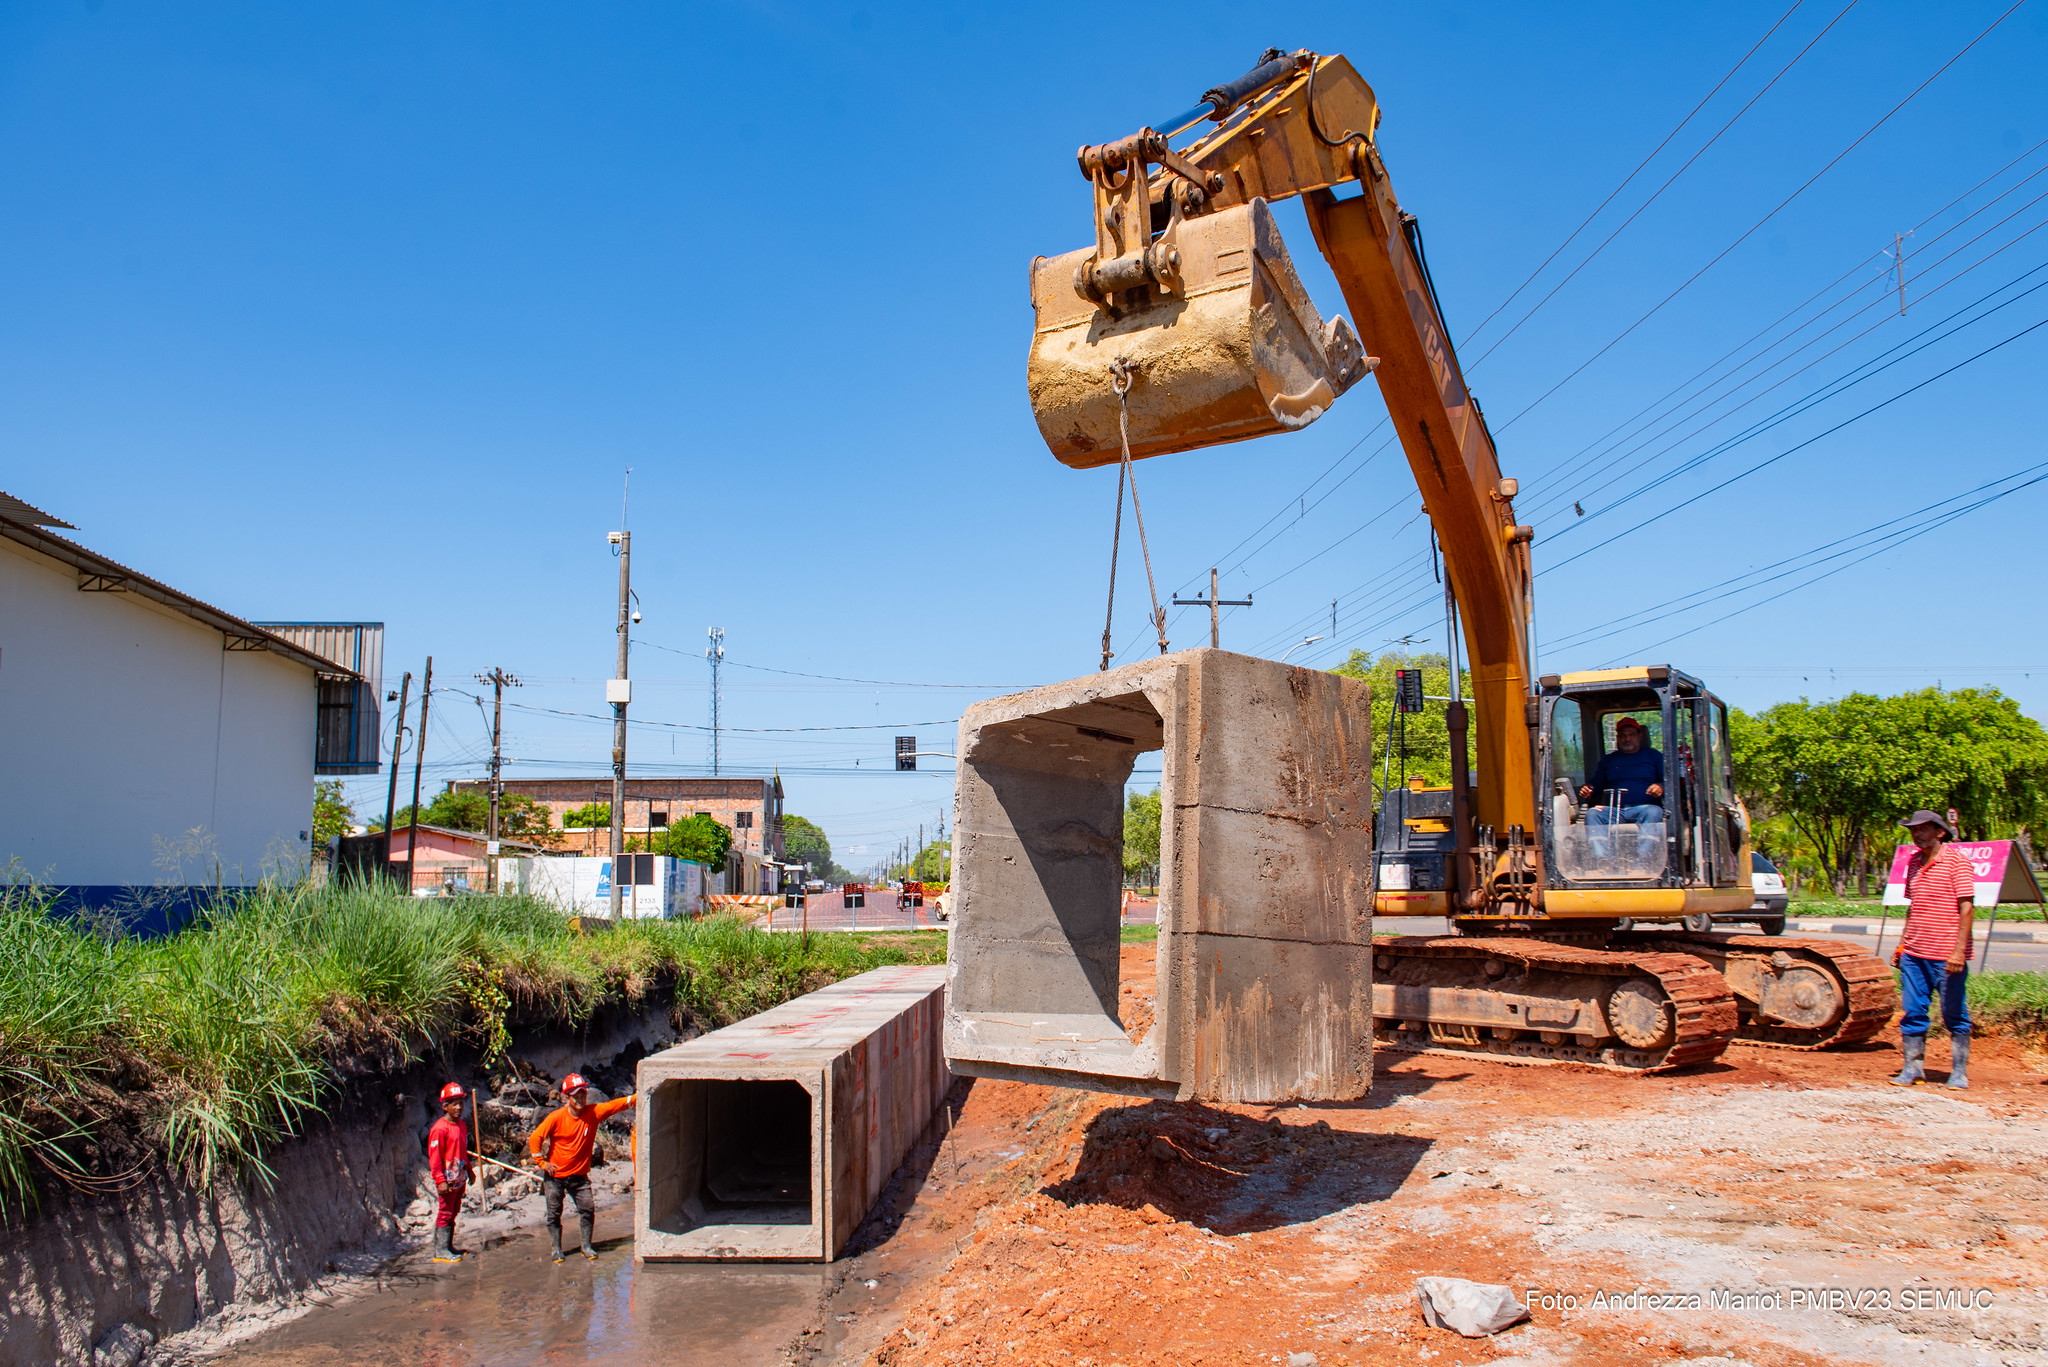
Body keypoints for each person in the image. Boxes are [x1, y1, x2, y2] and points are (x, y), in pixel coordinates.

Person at [1888, 810, 1975, 1089]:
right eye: (1914, 830)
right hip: (1914, 953)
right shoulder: (1913, 863)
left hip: (1946, 955)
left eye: (1923, 829)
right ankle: (1912, 1068)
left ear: (1939, 832)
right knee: (1913, 1011)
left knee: (1954, 1014)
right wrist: (1902, 945)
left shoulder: (1957, 862)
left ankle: (1959, 1072)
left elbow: (1967, 908)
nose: (1917, 834)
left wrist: (1959, 952)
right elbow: (1913, 908)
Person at [528, 1072, 636, 1263]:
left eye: (582, 1095)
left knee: (587, 1209)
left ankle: (586, 1246)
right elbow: (535, 1138)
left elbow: (616, 1105)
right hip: (555, 1176)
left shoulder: (593, 1113)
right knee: (554, 1213)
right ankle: (556, 1250)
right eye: (575, 1096)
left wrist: (640, 1096)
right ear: (566, 1098)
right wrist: (542, 1163)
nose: (580, 1099)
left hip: (579, 1176)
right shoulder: (556, 1117)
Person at [1579, 717, 1666, 856]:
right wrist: (1588, 789)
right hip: (1614, 810)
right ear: (1618, 738)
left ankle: (1644, 860)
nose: (1627, 739)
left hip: (1643, 809)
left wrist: (1660, 786)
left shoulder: (1654, 756)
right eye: (1623, 735)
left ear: (1640, 736)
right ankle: (1603, 860)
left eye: (1631, 734)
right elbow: (1595, 784)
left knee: (1654, 812)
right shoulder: (1608, 760)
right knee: (1593, 813)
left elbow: (1669, 782)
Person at [426, 1082, 472, 1262]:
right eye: (454, 1103)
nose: (458, 1107)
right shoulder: (439, 1129)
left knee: (454, 1210)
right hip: (447, 1178)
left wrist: (469, 1169)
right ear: (444, 1106)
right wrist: (440, 1180)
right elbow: (435, 1157)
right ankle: (440, 1250)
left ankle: (449, 1246)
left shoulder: (461, 1125)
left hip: (460, 1176)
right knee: (445, 1212)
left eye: (460, 1103)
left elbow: (462, 1150)